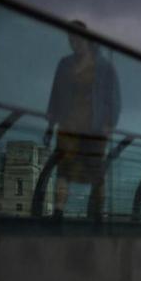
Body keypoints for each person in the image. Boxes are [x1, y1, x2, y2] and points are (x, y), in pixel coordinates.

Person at [43, 20, 121, 222]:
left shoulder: (104, 67)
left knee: (96, 174)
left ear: (86, 39)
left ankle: (97, 216)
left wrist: (109, 125)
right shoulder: (64, 64)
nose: (73, 42)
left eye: (76, 38)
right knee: (64, 171)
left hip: (94, 130)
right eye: (70, 39)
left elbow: (114, 99)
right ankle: (58, 214)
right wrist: (50, 126)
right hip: (68, 126)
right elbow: (55, 95)